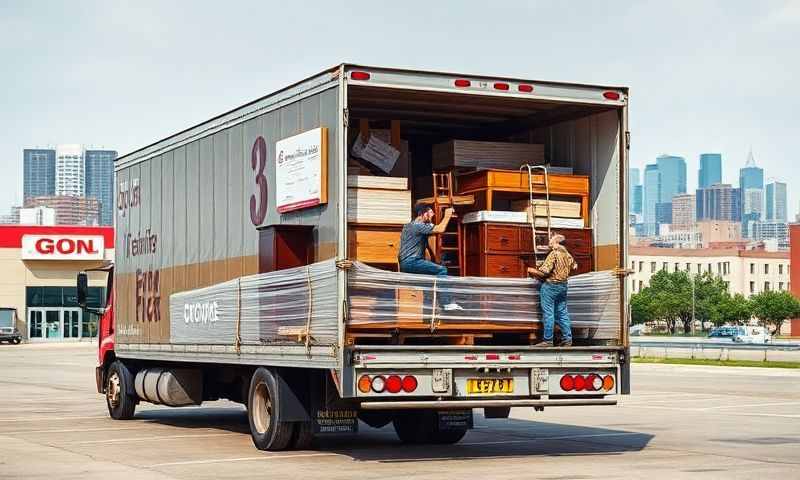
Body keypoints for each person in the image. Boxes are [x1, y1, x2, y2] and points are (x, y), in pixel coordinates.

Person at [398, 204, 463, 311]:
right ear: (424, 214)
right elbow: (440, 229)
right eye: (431, 213)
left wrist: (434, 259)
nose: (432, 216)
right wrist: (447, 215)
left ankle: (429, 310)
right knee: (442, 270)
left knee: (434, 274)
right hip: (412, 262)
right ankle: (446, 304)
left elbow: (426, 246)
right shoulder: (418, 225)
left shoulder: (409, 226)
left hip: (407, 263)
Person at [527, 234, 576, 346]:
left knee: (548, 313)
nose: (550, 243)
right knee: (562, 313)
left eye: (552, 241)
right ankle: (567, 339)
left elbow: (544, 272)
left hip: (550, 286)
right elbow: (575, 266)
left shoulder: (554, 254)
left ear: (557, 243)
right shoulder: (567, 254)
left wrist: (531, 270)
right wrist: (562, 272)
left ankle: (548, 340)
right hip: (563, 286)